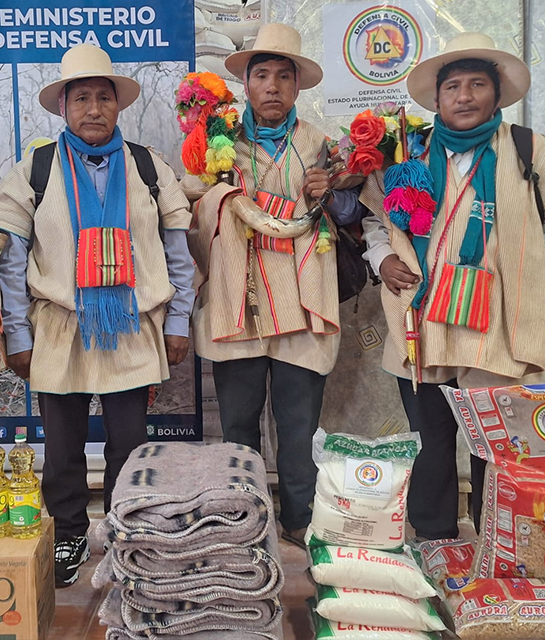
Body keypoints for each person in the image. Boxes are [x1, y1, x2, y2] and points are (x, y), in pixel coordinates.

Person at [0, 44, 197, 588]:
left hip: (131, 325)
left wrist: (177, 321)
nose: (94, 108)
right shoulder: (35, 170)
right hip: (59, 327)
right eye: (82, 98)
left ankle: (128, 534)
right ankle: (71, 535)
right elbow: (10, 263)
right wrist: (16, 332)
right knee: (61, 451)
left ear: (119, 106)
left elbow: (177, 253)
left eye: (105, 97)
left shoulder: (148, 166)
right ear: (63, 106)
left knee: (130, 444)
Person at [356, 32, 545, 542]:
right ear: (436, 100)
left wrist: (523, 301)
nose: (464, 96)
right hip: (423, 327)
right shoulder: (406, 157)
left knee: (496, 448)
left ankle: (496, 547)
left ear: (497, 96)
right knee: (430, 445)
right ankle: (434, 547)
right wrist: (384, 257)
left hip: (498, 334)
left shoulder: (534, 155)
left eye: (478, 84)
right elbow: (374, 221)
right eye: (452, 86)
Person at [182, 23, 365, 547]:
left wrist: (329, 192)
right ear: (246, 85)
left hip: (303, 307)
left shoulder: (322, 147)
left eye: (284, 76)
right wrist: (220, 198)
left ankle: (300, 520)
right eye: (261, 75)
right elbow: (187, 213)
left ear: (297, 87)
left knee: (298, 424)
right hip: (235, 303)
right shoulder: (215, 145)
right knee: (237, 424)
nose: (272, 86)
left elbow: (353, 213)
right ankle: (243, 520)